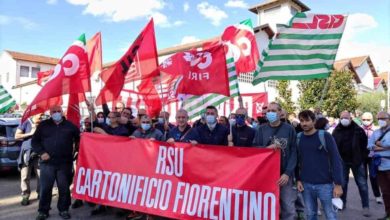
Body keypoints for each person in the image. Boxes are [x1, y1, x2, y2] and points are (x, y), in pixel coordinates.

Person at [32, 106, 80, 220]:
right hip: (47, 163)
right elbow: (34, 141)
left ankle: (63, 210)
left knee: (64, 189)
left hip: (64, 163)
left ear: (62, 112)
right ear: (50, 113)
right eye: (54, 112)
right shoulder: (43, 125)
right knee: (45, 188)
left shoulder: (70, 126)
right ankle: (43, 211)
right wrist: (41, 152)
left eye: (59, 111)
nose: (57, 113)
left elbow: (80, 139)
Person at [253, 102, 297, 220]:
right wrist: (267, 149)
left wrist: (287, 173)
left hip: (284, 175)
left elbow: (294, 152)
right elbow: (254, 149)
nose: (270, 113)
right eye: (268, 111)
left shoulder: (289, 129)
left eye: (273, 111)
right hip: (266, 175)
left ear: (280, 112)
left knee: (288, 207)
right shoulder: (261, 129)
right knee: (267, 206)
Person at [296, 110, 344, 220]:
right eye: (302, 121)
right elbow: (296, 160)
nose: (304, 123)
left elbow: (336, 160)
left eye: (307, 120)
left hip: (325, 184)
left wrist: (338, 184)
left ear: (314, 121)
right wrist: (298, 179)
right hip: (305, 185)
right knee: (310, 214)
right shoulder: (298, 138)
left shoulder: (325, 136)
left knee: (330, 215)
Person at [332, 110, 370, 217]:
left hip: (357, 161)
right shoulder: (336, 130)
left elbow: (365, 145)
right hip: (342, 162)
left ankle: (365, 207)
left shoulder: (358, 130)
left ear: (350, 118)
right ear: (340, 118)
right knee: (342, 184)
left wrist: (362, 158)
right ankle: (342, 204)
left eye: (346, 117)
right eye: (342, 117)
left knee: (362, 184)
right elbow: (333, 146)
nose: (344, 119)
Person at [15, 113, 43, 206]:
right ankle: (25, 195)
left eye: (42, 115)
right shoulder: (25, 122)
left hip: (39, 153)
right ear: (34, 114)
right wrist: (30, 133)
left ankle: (41, 194)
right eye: (40, 115)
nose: (41, 117)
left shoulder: (43, 124)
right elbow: (17, 136)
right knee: (25, 176)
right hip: (26, 154)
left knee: (41, 176)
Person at [368, 111, 390, 220]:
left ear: (388, 119)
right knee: (385, 192)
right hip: (379, 166)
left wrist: (381, 144)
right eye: (379, 118)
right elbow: (369, 145)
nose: (381, 120)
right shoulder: (375, 133)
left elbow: (375, 145)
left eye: (383, 118)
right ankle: (388, 214)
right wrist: (385, 147)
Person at [361, 112, 383, 204]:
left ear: (372, 120)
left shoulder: (377, 130)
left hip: (373, 156)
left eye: (368, 119)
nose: (366, 121)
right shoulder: (358, 130)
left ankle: (377, 195)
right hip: (362, 156)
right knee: (363, 177)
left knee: (374, 176)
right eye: (364, 119)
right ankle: (365, 197)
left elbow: (381, 143)